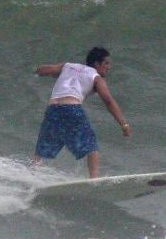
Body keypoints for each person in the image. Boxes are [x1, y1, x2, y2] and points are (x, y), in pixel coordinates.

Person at [31, 47, 132, 178]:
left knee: (41, 151)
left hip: (52, 110)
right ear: (96, 64)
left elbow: (45, 70)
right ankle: (94, 181)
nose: (109, 67)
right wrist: (124, 125)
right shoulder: (96, 78)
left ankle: (31, 175)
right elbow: (108, 101)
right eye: (106, 63)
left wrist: (34, 72)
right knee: (92, 147)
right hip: (72, 109)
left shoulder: (68, 66)